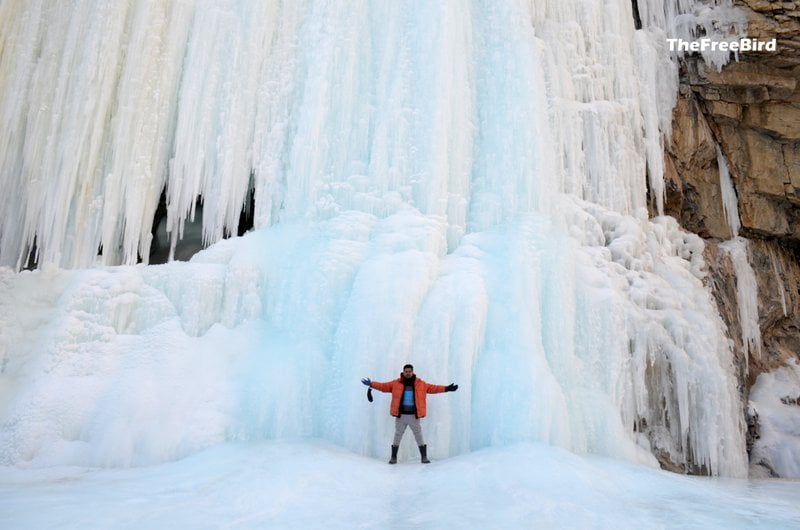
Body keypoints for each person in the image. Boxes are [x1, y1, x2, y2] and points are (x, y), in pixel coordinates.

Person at [361, 364, 458, 464]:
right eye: (406, 371)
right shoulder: (396, 383)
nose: (408, 373)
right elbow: (383, 386)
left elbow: (434, 388)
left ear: (412, 372)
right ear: (403, 372)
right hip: (401, 415)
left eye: (409, 371)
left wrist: (447, 388)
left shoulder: (421, 384)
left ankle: (424, 457)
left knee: (418, 436)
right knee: (397, 436)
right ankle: (393, 457)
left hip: (414, 416)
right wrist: (371, 384)